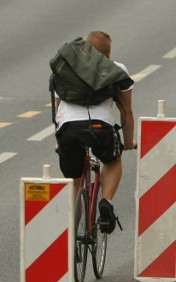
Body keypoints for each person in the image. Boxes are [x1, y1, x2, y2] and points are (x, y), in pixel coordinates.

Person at [54, 30, 135, 234]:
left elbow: (58, 108)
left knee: (74, 183)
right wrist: (127, 143)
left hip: (69, 129)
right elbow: (126, 110)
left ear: (84, 49)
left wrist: (59, 141)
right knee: (113, 162)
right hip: (100, 127)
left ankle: (72, 235)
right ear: (108, 54)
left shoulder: (66, 67)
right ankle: (106, 202)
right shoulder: (117, 69)